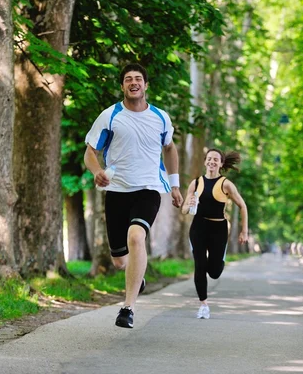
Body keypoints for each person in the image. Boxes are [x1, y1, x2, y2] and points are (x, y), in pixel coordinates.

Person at [84, 63, 183, 328]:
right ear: (122, 86)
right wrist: (97, 172)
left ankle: (127, 308)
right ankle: (135, 275)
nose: (133, 82)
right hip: (117, 190)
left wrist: (174, 186)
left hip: (148, 189)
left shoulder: (161, 118)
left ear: (146, 85)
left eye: (138, 78)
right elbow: (90, 152)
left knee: (136, 236)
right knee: (118, 260)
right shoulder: (110, 116)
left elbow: (170, 149)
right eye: (128, 79)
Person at [181, 148, 248, 319]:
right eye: (209, 159)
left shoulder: (226, 184)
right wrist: (190, 204)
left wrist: (244, 230)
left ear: (221, 163)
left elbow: (242, 206)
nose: (212, 162)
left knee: (214, 272)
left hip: (218, 229)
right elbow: (184, 210)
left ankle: (220, 261)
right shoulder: (195, 183)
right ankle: (203, 304)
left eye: (215, 159)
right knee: (200, 265)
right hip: (198, 228)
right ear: (205, 161)